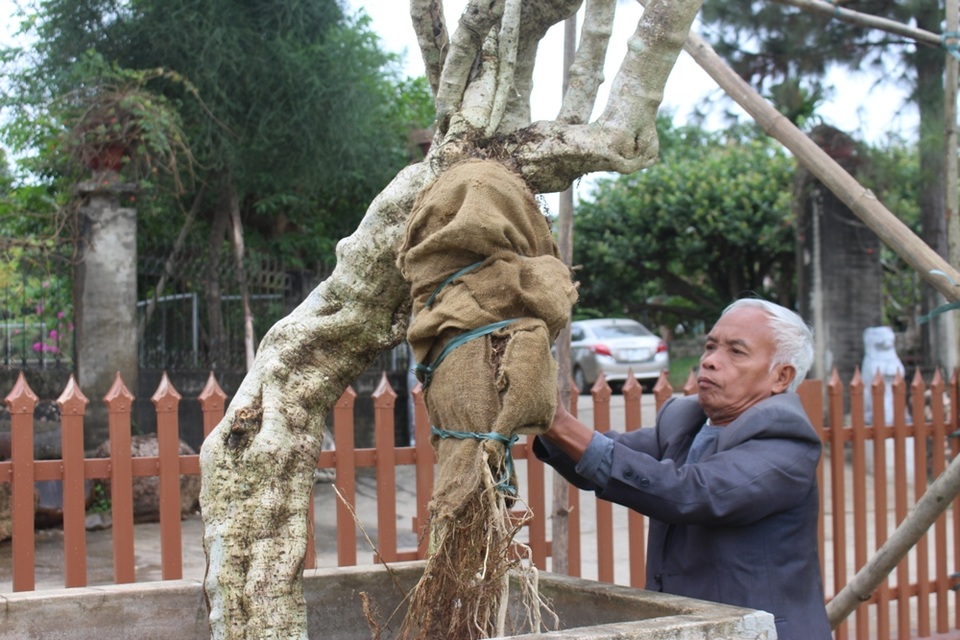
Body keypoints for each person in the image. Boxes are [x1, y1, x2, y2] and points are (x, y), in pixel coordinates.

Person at [534, 298, 831, 639]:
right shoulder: (685, 420)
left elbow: (690, 493)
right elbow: (604, 458)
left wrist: (561, 424)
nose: (709, 361)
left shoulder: (786, 439)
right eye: (711, 346)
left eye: (736, 352)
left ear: (781, 377)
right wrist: (545, 422)